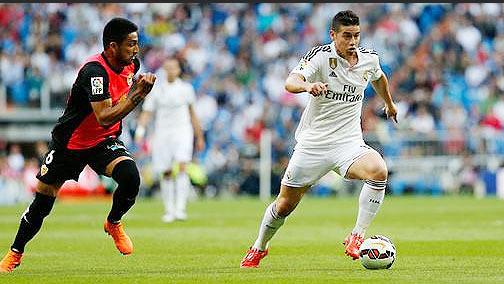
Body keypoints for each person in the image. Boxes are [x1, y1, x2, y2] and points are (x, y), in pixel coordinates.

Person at [240, 10, 398, 268]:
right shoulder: (321, 57)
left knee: (378, 171)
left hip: (348, 143)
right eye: (347, 36)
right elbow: (291, 82)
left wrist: (389, 104)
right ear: (333, 34)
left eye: (356, 35)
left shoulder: (368, 59)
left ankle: (357, 235)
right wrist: (307, 86)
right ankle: (259, 246)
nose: (352, 41)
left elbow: (379, 78)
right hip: (313, 145)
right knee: (284, 206)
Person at [0, 17, 156, 273]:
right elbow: (104, 116)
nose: (136, 50)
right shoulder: (94, 72)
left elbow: (115, 108)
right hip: (70, 144)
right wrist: (137, 96)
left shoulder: (131, 65)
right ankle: (15, 252)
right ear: (112, 46)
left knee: (130, 177)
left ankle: (113, 222)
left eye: (137, 44)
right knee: (43, 203)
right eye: (131, 44)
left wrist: (134, 92)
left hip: (102, 142)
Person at [135, 57, 204, 223]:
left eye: (174, 68)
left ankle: (180, 208)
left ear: (179, 70)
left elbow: (193, 113)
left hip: (182, 132)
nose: (171, 71)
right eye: (168, 68)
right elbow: (147, 112)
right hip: (162, 133)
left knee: (182, 166)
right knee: (165, 171)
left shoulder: (186, 88)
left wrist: (199, 136)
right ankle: (169, 210)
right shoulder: (156, 90)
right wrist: (140, 130)